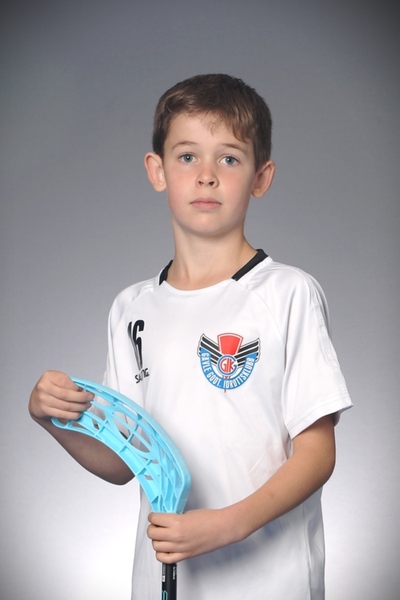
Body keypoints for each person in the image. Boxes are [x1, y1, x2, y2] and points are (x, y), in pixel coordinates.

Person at [29, 73, 352, 599]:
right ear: (157, 170)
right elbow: (124, 461)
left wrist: (227, 524)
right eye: (187, 157)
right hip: (165, 584)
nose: (206, 176)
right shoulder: (131, 309)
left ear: (261, 177)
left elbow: (317, 454)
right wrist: (53, 419)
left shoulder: (288, 293)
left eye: (229, 159)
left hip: (272, 585)